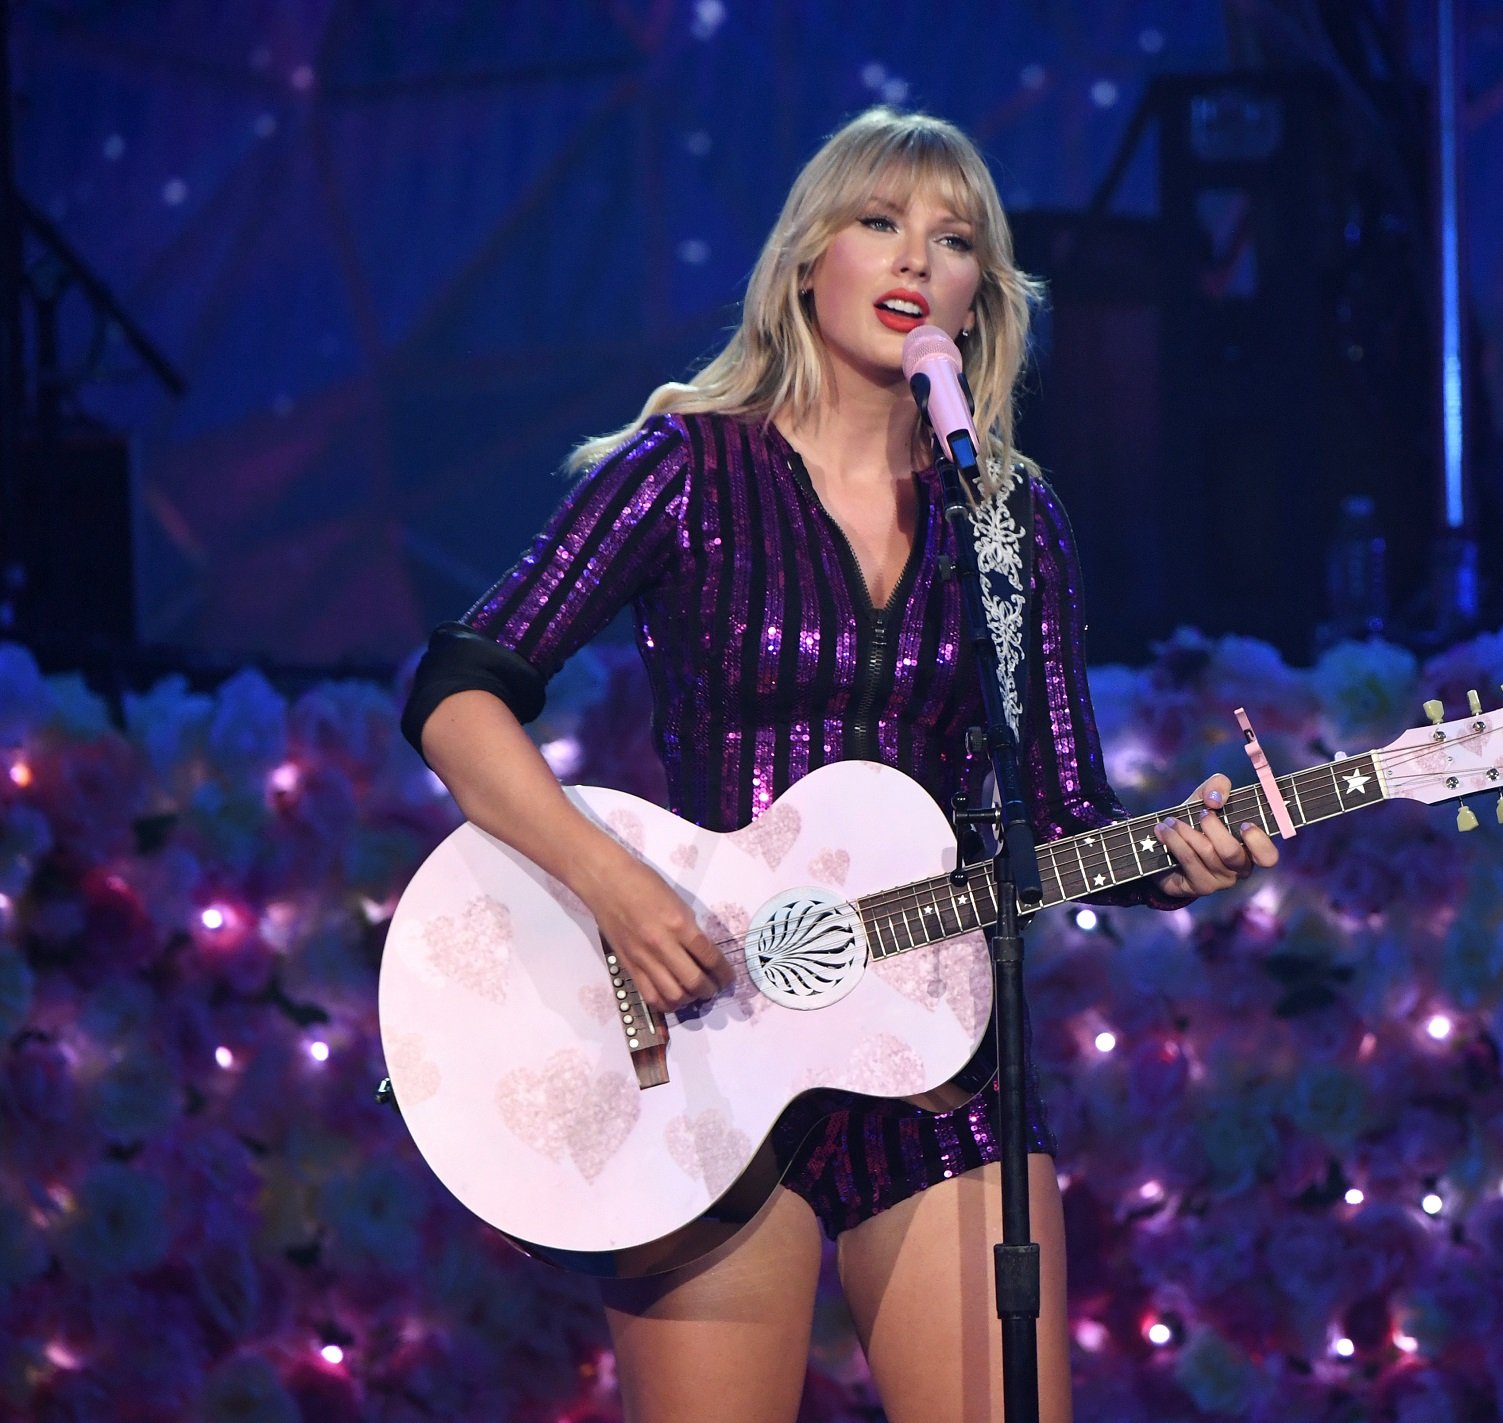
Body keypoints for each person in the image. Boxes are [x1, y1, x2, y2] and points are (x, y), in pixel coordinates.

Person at [399, 107, 1280, 1423]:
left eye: (956, 238)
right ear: (810, 260)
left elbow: (1070, 820)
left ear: (982, 301)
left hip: (937, 1064)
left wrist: (1185, 857)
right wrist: (619, 893)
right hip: (702, 1052)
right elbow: (459, 692)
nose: (917, 257)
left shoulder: (1010, 518)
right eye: (881, 221)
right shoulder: (687, 470)